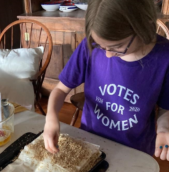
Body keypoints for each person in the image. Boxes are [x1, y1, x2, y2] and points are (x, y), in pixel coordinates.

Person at [43, 0, 169, 161]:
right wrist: (51, 118)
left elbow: (166, 107)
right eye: (101, 46)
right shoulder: (90, 47)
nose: (108, 55)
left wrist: (164, 129)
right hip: (90, 141)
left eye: (117, 47)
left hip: (135, 151)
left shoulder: (164, 57)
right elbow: (60, 90)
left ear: (143, 26)